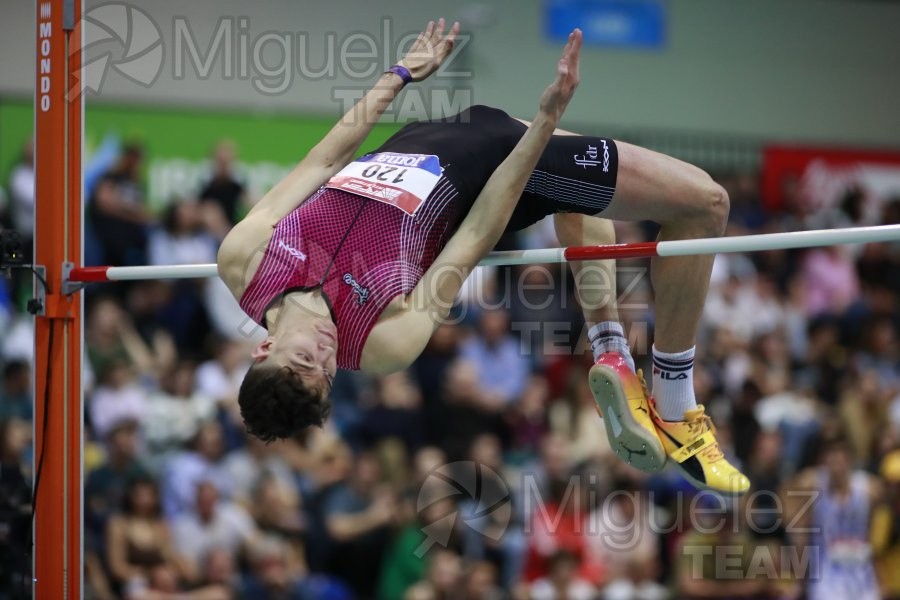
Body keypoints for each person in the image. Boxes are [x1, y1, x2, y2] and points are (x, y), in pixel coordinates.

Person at [218, 20, 748, 495]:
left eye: (306, 358)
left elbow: (326, 158)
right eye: (328, 372)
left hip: (435, 134)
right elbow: (473, 235)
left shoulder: (244, 261)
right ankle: (675, 403)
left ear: (263, 348)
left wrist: (399, 74)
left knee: (582, 202)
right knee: (707, 205)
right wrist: (540, 129)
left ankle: (612, 353)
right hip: (495, 168)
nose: (327, 353)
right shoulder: (379, 342)